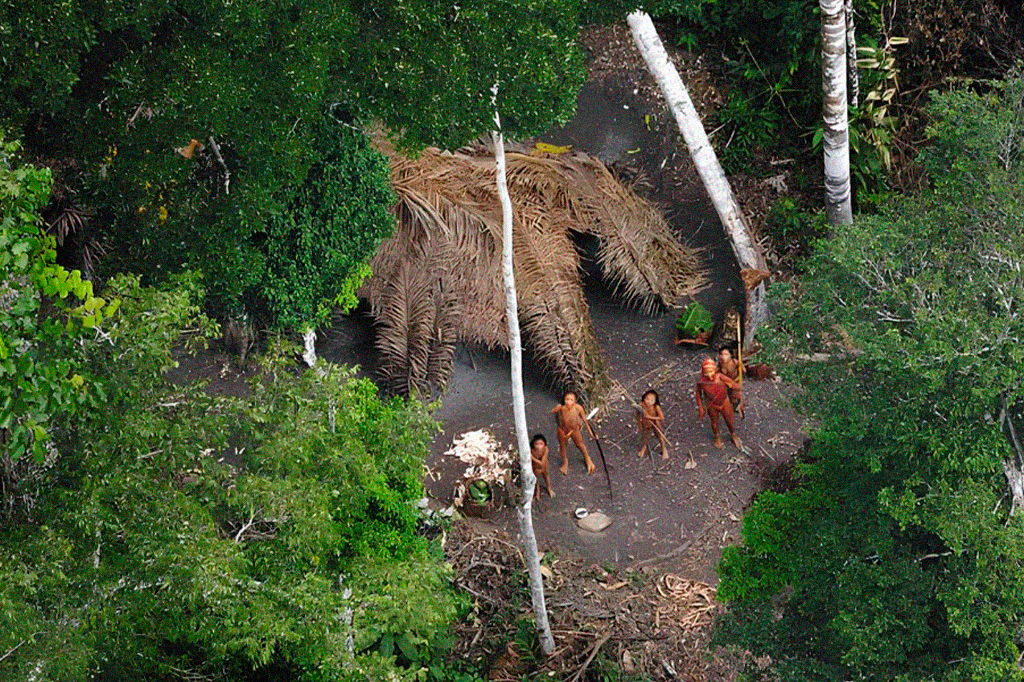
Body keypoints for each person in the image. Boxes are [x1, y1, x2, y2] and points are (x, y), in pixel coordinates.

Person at [695, 357, 743, 449]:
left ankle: (734, 434)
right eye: (706, 373)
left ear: (715, 370)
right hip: (712, 404)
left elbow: (734, 385)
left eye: (711, 372)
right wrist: (701, 407)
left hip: (724, 402)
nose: (709, 375)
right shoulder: (702, 382)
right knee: (714, 422)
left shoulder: (720, 377)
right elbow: (698, 393)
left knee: (729, 420)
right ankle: (717, 437)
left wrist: (736, 386)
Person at [550, 391, 596, 475]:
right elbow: (552, 412)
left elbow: (585, 421)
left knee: (580, 444)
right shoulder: (562, 408)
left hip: (574, 430)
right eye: (567, 399)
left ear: (575, 401)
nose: (569, 402)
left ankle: (587, 459)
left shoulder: (578, 408)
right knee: (563, 446)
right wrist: (555, 409)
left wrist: (590, 432)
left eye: (571, 400)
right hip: (562, 429)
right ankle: (565, 462)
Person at [636, 389, 670, 460]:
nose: (649, 402)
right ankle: (643, 449)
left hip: (655, 423)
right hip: (647, 423)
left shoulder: (656, 407)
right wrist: (640, 422)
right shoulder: (642, 406)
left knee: (660, 436)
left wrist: (650, 417)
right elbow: (638, 414)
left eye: (651, 400)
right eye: (647, 399)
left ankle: (664, 449)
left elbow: (661, 417)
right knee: (646, 437)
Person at [717, 347, 745, 417]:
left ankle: (738, 407)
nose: (723, 357)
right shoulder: (720, 363)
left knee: (735, 395)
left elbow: (744, 370)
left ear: (730, 355)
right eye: (722, 354)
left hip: (735, 381)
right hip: (726, 382)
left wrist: (741, 366)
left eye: (726, 354)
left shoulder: (735, 362)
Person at [530, 434, 554, 499]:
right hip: (535, 466)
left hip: (544, 465)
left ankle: (549, 488)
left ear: (544, 445)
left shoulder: (546, 450)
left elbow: (542, 463)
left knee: (546, 476)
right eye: (536, 444)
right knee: (536, 478)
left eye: (541, 444)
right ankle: (537, 490)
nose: (538, 447)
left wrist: (532, 458)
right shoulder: (532, 450)